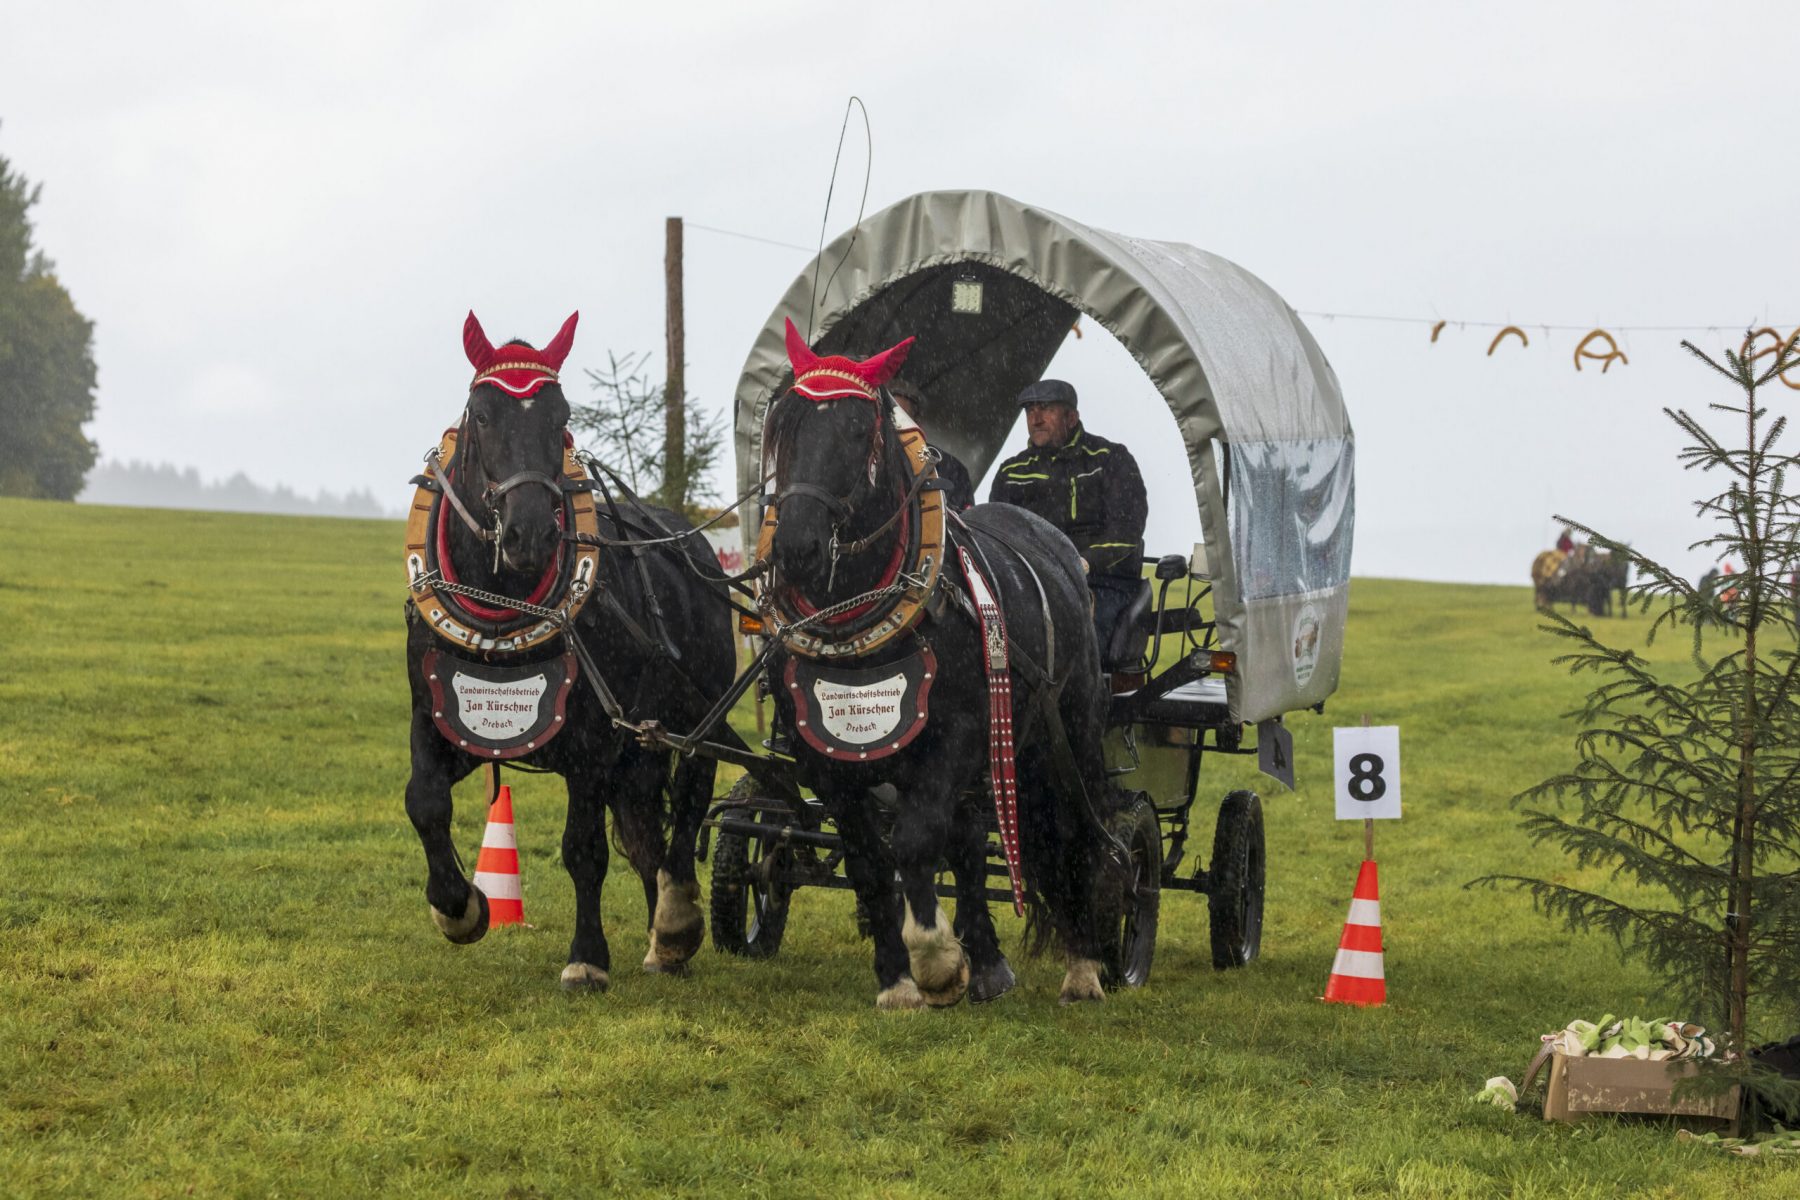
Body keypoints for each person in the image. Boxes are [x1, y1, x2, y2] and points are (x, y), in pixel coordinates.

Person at [989, 379, 1148, 656]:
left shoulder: (1110, 459)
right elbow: (995, 535)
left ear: (1071, 418)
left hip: (1102, 583)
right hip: (1030, 586)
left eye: (1046, 409)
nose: (1036, 419)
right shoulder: (1011, 471)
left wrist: (1081, 563)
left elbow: (1127, 529)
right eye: (1030, 411)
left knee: (1073, 644)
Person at [887, 379, 975, 510]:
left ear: (917, 423)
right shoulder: (866, 463)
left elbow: (964, 518)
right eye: (888, 418)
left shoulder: (952, 469)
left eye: (901, 419)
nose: (893, 426)